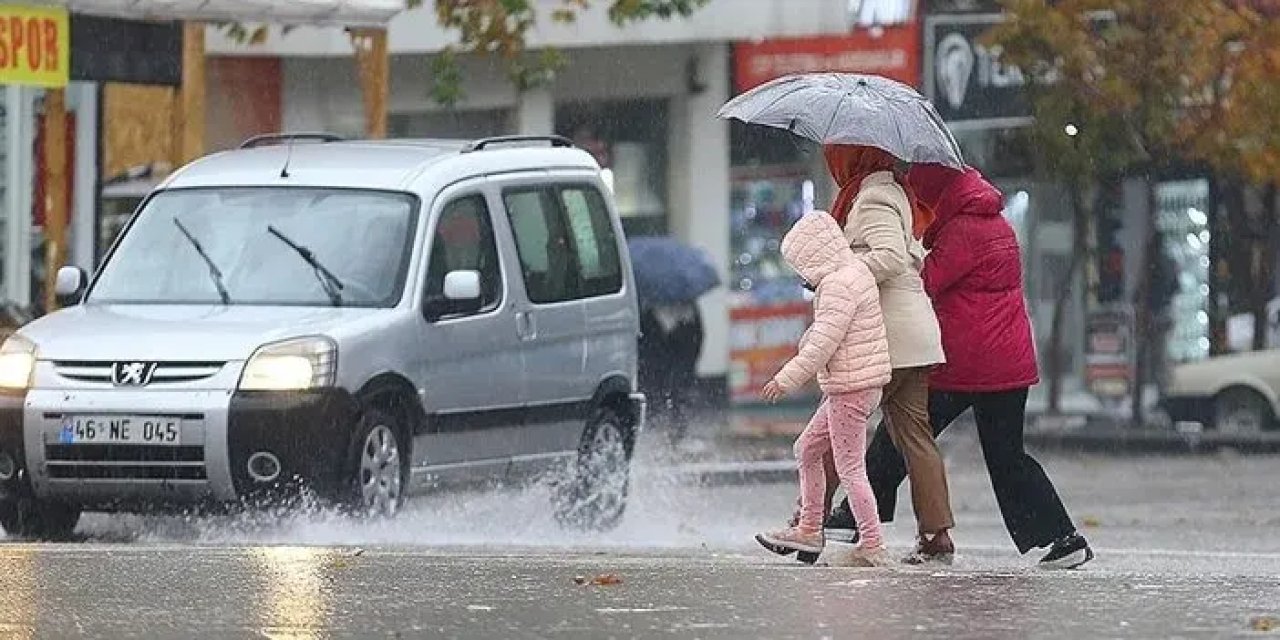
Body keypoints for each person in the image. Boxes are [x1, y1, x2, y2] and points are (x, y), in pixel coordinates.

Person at [825, 164, 1094, 570]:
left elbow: (925, 283)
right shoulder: (995, 224)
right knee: (1007, 457)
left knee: (903, 431)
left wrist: (906, 252)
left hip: (966, 363)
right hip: (1008, 365)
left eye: (925, 199)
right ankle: (1063, 537)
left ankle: (853, 519)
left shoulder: (963, 231)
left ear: (941, 194)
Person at [818, 144, 955, 565]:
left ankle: (810, 521)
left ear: (854, 157)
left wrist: (840, 275)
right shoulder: (897, 192)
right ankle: (936, 535)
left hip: (886, 336)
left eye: (837, 156)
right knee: (916, 436)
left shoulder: (873, 196)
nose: (833, 164)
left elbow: (891, 258)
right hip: (914, 335)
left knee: (832, 429)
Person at [754, 212, 893, 567]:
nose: (801, 275)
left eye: (800, 265)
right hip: (857, 384)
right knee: (807, 449)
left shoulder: (837, 285)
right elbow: (829, 334)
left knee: (850, 469)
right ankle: (810, 529)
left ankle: (872, 544)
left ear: (812, 257)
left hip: (850, 388)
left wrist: (785, 379)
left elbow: (823, 344)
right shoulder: (855, 271)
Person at [637, 300, 704, 442]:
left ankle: (675, 427)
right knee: (665, 391)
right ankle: (666, 426)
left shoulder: (687, 313)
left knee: (677, 391)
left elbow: (696, 338)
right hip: (662, 362)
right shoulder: (650, 313)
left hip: (676, 359)